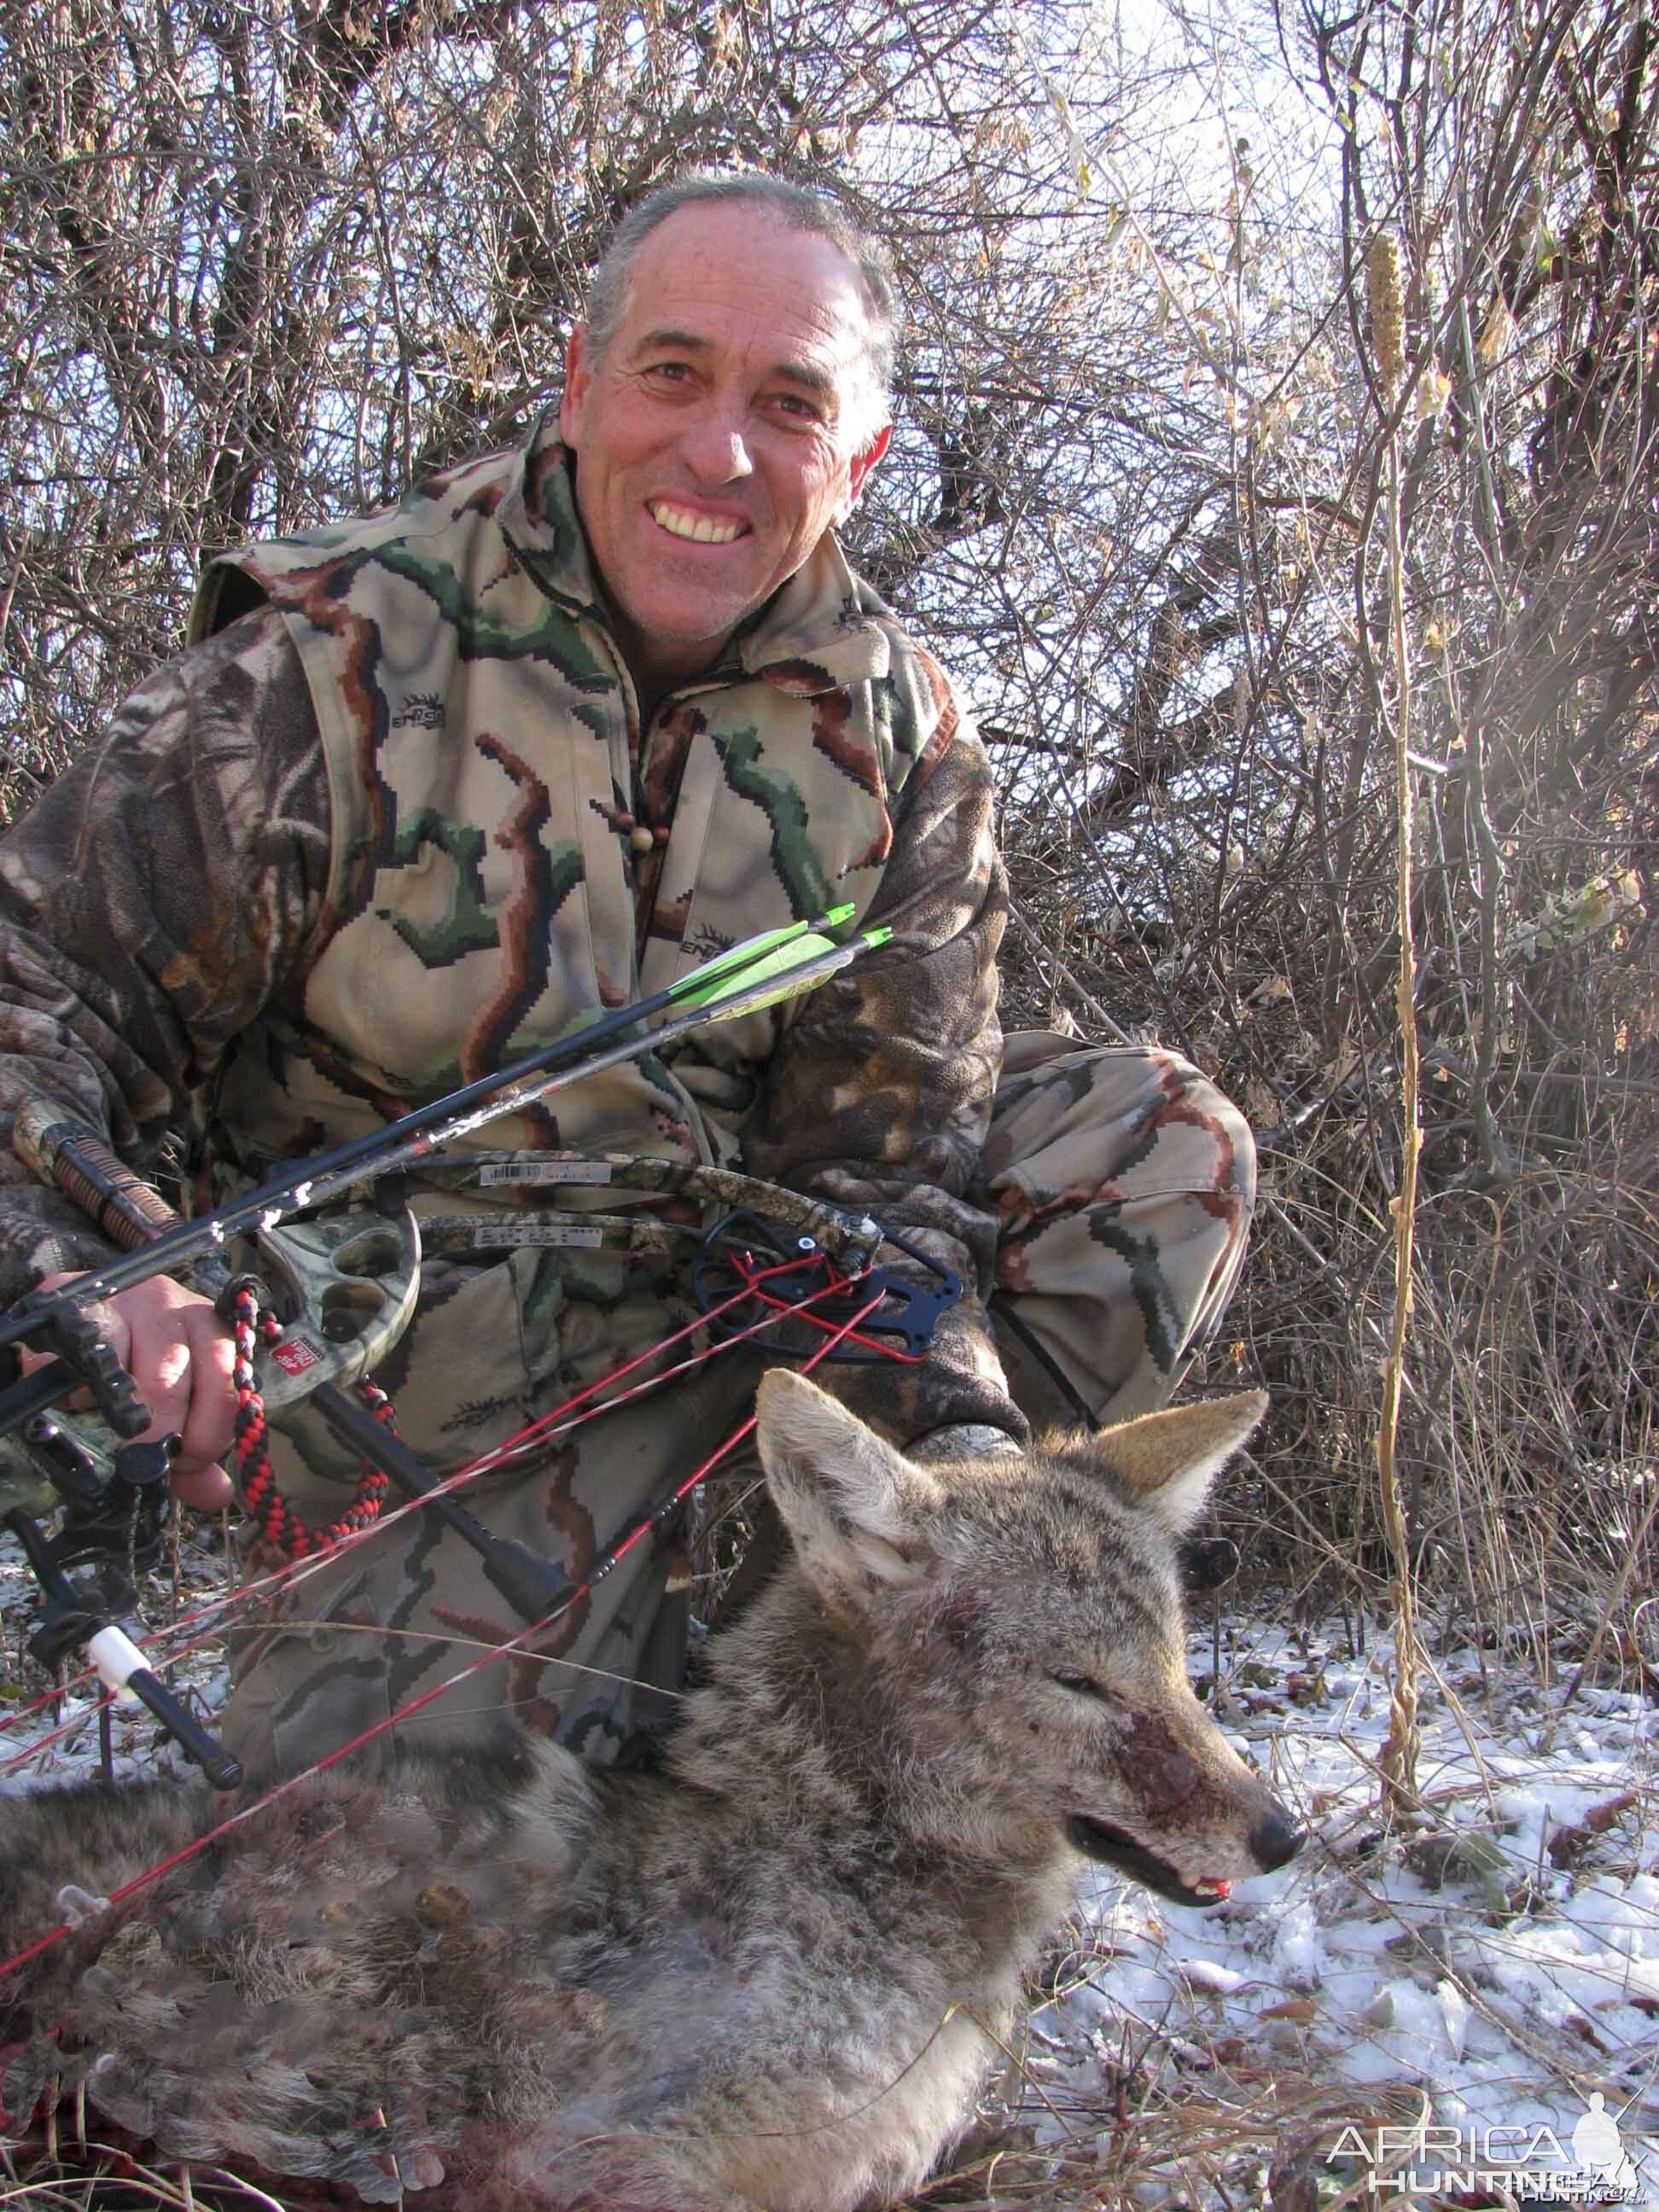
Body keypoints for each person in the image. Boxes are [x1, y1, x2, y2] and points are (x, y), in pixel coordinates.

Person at [0, 172, 1254, 1777]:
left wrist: (958, 1444)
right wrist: (114, 1277)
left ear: (859, 461)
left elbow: (888, 1172)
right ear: (582, 388)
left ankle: (831, 1640)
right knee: (420, 1861)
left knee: (1157, 1142)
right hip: (384, 1356)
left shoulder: (906, 735)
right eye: (672, 373)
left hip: (711, 1319)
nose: (718, 451)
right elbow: (37, 997)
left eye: (789, 404)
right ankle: (537, 1644)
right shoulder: (331, 651)